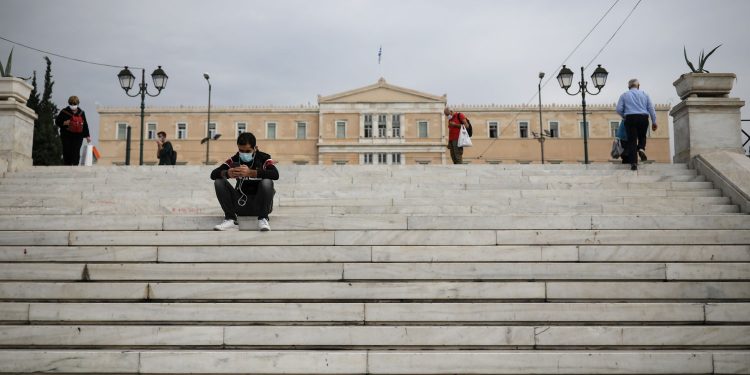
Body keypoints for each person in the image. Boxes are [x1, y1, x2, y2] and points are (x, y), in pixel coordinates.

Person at [210, 132, 278, 231]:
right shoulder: (234, 159)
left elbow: (275, 174)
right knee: (219, 181)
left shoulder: (264, 158)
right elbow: (213, 174)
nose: (244, 154)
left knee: (267, 182)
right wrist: (227, 173)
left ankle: (263, 218)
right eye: (241, 150)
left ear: (255, 148)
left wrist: (251, 173)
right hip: (240, 204)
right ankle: (230, 219)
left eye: (247, 151)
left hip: (260, 205)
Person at [616, 79, 658, 170]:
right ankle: (641, 149)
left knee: (632, 141)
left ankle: (634, 163)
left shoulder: (624, 95)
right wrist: (654, 122)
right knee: (642, 136)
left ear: (628, 87)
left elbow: (618, 109)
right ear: (638, 86)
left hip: (630, 118)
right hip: (643, 117)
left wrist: (624, 116)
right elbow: (651, 109)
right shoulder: (645, 95)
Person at [55, 95, 91, 166]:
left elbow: (85, 124)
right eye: (71, 104)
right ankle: (67, 165)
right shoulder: (64, 111)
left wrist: (87, 136)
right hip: (66, 136)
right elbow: (57, 121)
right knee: (67, 150)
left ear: (77, 104)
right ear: (69, 103)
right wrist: (64, 123)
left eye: (74, 104)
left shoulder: (81, 113)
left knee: (76, 150)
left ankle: (75, 165)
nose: (73, 105)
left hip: (78, 136)